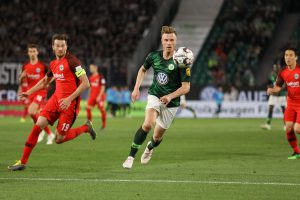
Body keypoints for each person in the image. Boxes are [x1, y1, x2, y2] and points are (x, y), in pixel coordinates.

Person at [8, 34, 97, 171]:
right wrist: (29, 92)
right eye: (57, 45)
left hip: (70, 105)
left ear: (66, 46)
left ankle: (85, 128)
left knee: (58, 139)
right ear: (53, 47)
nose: (60, 48)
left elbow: (86, 84)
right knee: (38, 125)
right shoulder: (53, 64)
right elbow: (45, 82)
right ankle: (22, 162)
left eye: (62, 45)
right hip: (55, 101)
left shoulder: (73, 62)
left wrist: (69, 99)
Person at [122, 26, 191, 169]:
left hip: (172, 102)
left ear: (175, 41)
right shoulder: (153, 56)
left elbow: (186, 87)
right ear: (162, 40)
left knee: (157, 137)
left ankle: (150, 147)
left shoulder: (181, 62)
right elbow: (142, 69)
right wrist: (136, 89)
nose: (169, 43)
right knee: (148, 124)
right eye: (166, 40)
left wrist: (170, 96)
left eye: (172, 40)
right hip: (155, 95)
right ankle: (131, 157)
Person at [267, 46, 300, 159]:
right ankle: (297, 152)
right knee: (288, 128)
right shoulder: (283, 73)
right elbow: (278, 88)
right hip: (290, 103)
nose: (288, 57)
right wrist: (272, 90)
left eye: (291, 55)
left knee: (297, 129)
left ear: (296, 57)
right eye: (286, 55)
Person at [18, 44, 55, 144]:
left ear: (37, 52)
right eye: (30, 51)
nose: (32, 53)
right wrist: (21, 78)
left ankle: (49, 134)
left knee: (31, 111)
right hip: (31, 93)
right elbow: (21, 81)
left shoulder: (43, 66)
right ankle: (43, 131)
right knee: (35, 115)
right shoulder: (25, 66)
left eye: (34, 51)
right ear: (28, 53)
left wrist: (47, 84)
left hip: (41, 92)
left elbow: (53, 76)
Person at [261, 64, 287, 131]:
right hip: (274, 95)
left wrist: (278, 89)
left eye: (276, 68)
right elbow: (269, 83)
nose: (275, 69)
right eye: (274, 68)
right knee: (270, 108)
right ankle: (268, 125)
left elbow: (284, 85)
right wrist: (269, 87)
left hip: (281, 95)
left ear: (279, 68)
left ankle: (286, 125)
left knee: (284, 110)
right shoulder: (272, 75)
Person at [86, 64, 106, 129]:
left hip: (99, 97)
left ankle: (103, 125)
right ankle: (90, 124)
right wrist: (89, 96)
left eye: (91, 68)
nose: (90, 69)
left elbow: (103, 87)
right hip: (92, 96)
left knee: (102, 110)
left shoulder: (101, 77)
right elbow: (90, 88)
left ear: (95, 68)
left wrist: (99, 96)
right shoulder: (90, 77)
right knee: (88, 108)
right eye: (90, 68)